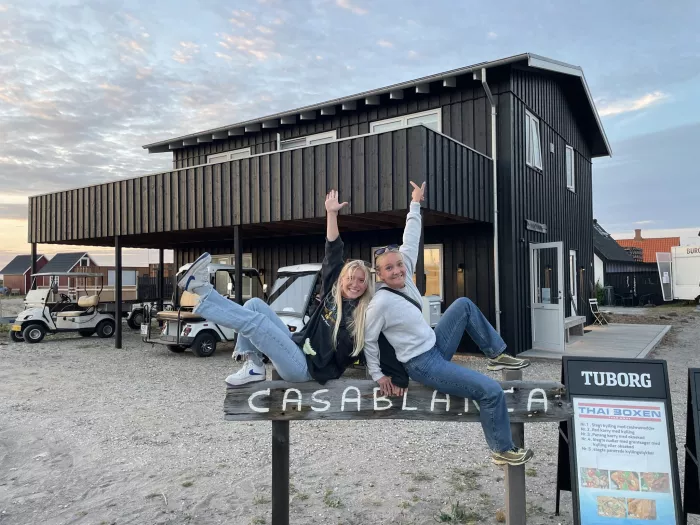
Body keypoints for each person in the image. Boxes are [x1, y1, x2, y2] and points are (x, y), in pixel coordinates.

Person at [363, 181, 534, 466]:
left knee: (463, 304)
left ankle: (495, 354)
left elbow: (411, 236)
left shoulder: (406, 273)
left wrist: (415, 203)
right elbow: (368, 340)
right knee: (491, 391)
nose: (397, 270)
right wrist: (378, 375)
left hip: (435, 344)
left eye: (399, 264)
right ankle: (502, 450)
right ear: (380, 275)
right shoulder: (380, 303)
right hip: (422, 364)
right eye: (389, 268)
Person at [177, 190, 408, 388]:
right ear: (341, 280)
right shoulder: (333, 293)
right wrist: (331, 214)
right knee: (255, 305)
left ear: (367, 285)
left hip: (306, 369)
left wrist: (394, 376)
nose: (355, 284)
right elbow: (333, 251)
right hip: (297, 348)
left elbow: (383, 343)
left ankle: (204, 291)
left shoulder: (365, 313)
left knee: (258, 324)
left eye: (361, 280)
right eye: (350, 278)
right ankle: (254, 365)